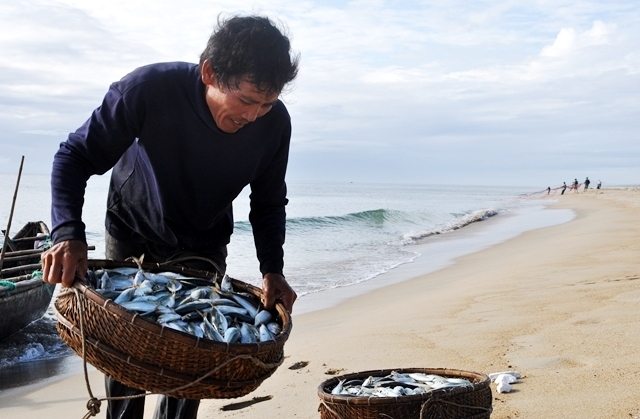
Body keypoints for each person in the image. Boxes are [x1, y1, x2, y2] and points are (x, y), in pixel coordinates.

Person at [41, 14, 299, 419]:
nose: (254, 116)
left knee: (195, 356)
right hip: (133, 231)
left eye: (267, 103)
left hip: (204, 240)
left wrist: (273, 269)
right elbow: (74, 156)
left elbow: (268, 202)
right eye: (247, 100)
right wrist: (67, 232)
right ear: (210, 73)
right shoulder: (147, 89)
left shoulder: (274, 124)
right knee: (127, 358)